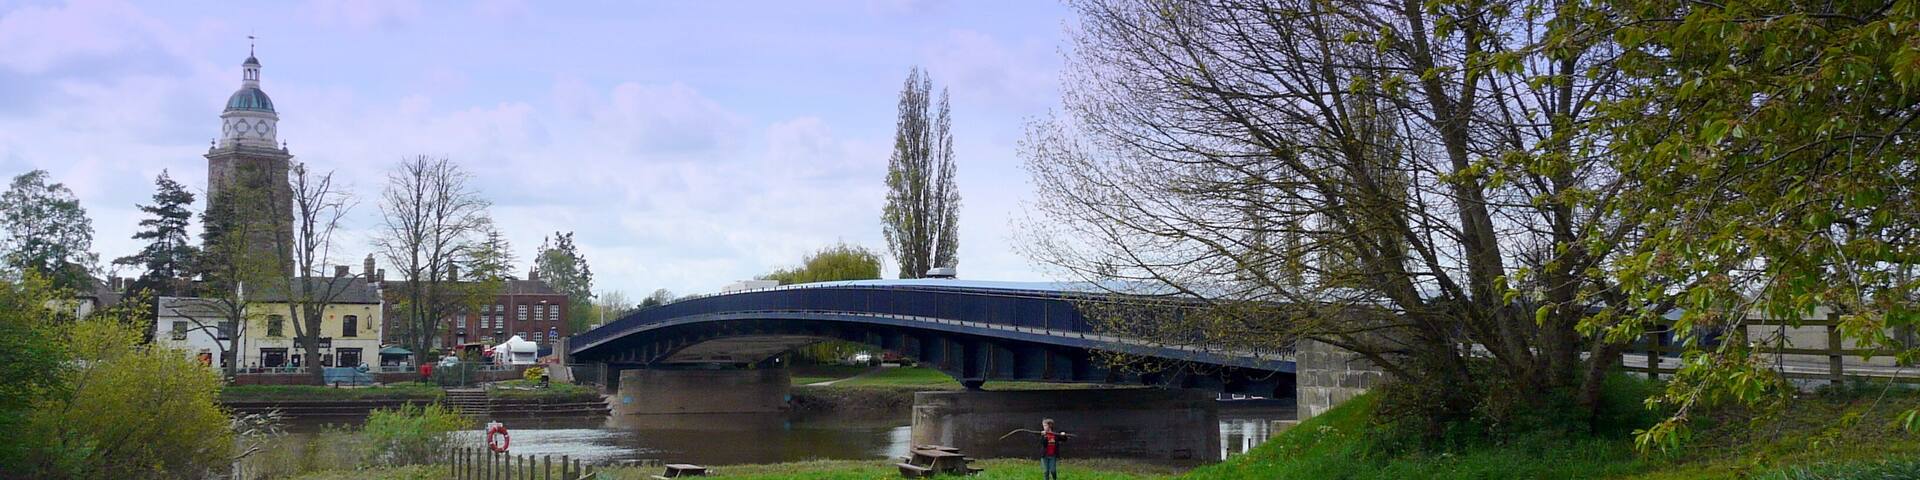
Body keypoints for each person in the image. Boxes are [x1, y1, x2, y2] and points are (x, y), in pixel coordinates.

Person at [1001, 418, 1073, 480]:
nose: (1044, 427)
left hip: (1052, 456)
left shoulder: (1055, 435)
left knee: (1053, 470)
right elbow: (1043, 443)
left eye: (1045, 425)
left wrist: (1064, 435)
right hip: (1044, 456)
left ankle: (1054, 479)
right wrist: (1044, 436)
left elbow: (1064, 439)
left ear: (1050, 425)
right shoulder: (1043, 435)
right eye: (1043, 426)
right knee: (1046, 471)